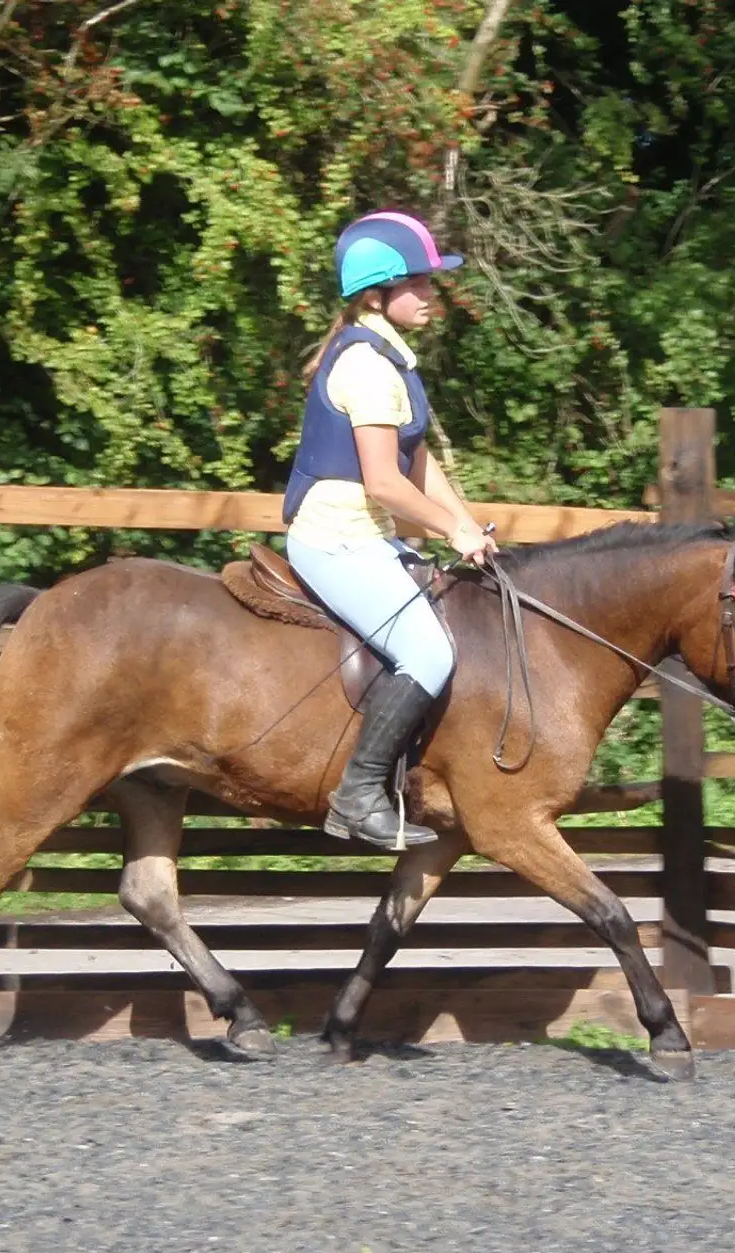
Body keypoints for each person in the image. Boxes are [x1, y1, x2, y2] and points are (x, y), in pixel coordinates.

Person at [283, 210, 499, 849]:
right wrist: (451, 532)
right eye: (420, 283)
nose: (433, 295)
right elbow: (384, 481)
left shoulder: (389, 358)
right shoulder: (367, 367)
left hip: (368, 535)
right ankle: (356, 795)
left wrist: (465, 522)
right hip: (335, 537)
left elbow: (416, 459)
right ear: (377, 294)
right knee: (430, 653)